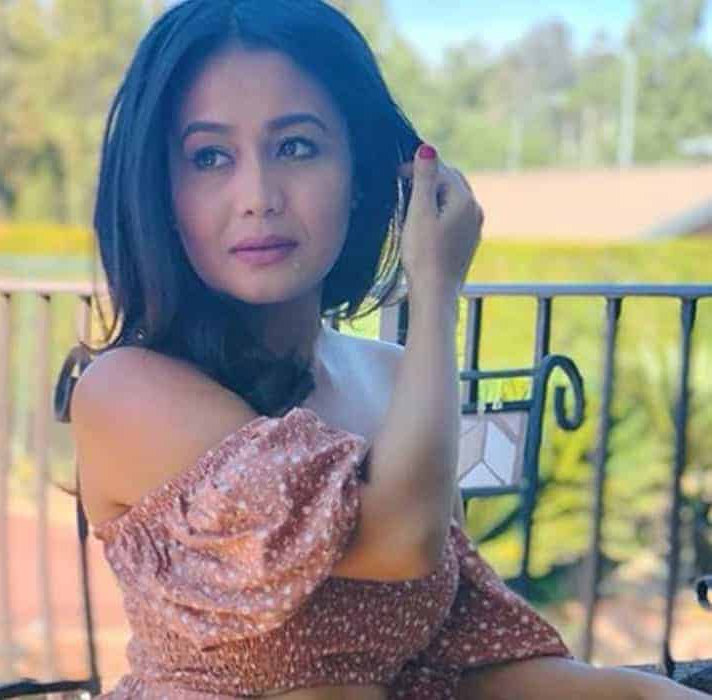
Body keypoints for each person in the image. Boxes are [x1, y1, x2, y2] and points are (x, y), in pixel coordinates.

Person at [63, 1, 703, 697]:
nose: (258, 196)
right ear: (158, 190)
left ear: (362, 174)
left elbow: (467, 666)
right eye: (210, 157)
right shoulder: (125, 390)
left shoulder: (394, 378)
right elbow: (397, 541)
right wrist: (435, 291)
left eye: (296, 147)